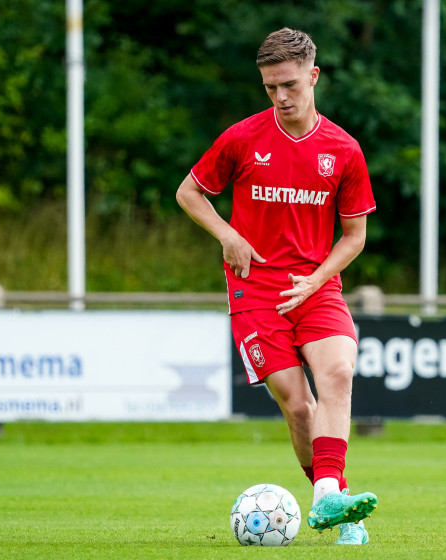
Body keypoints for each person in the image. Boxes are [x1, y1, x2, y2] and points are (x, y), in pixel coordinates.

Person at [176, 27, 378, 545]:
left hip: (316, 285)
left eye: (289, 84)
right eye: (270, 88)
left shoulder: (344, 150)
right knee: (297, 402)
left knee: (338, 373)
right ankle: (337, 504)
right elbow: (190, 192)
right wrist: (227, 235)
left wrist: (315, 279)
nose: (281, 97)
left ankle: (331, 502)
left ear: (313, 76)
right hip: (254, 291)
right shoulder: (243, 138)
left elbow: (354, 238)